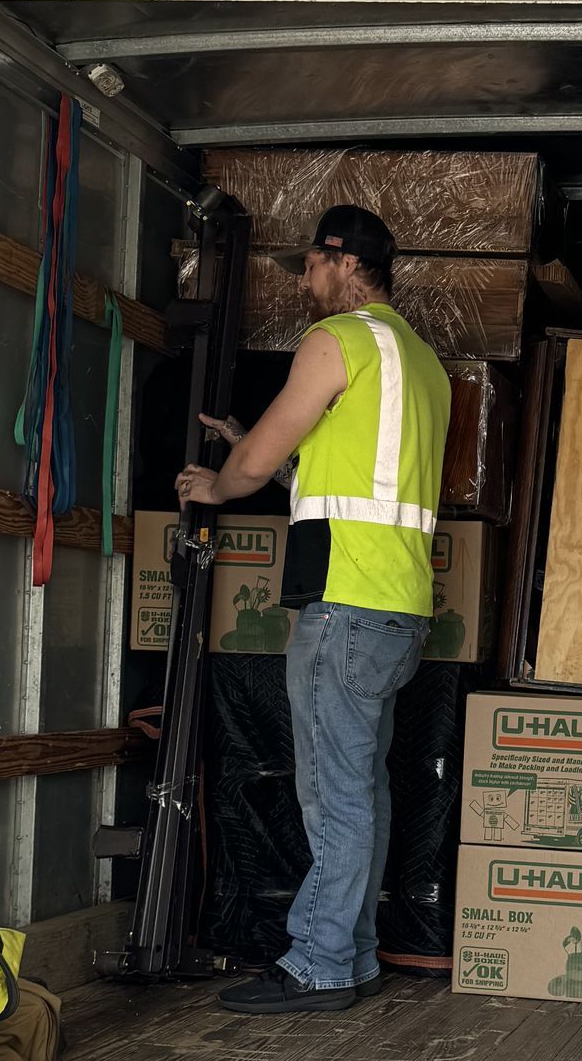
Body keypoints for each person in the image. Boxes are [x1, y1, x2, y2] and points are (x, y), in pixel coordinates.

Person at [175, 205, 450, 1013]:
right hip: (397, 611)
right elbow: (355, 481)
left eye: (309, 265)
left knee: (333, 794)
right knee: (362, 788)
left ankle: (321, 962)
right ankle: (354, 954)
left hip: (344, 608)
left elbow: (260, 462)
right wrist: (249, 440)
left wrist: (220, 479)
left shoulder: (338, 341)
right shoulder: (421, 362)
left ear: (344, 263)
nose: (303, 281)